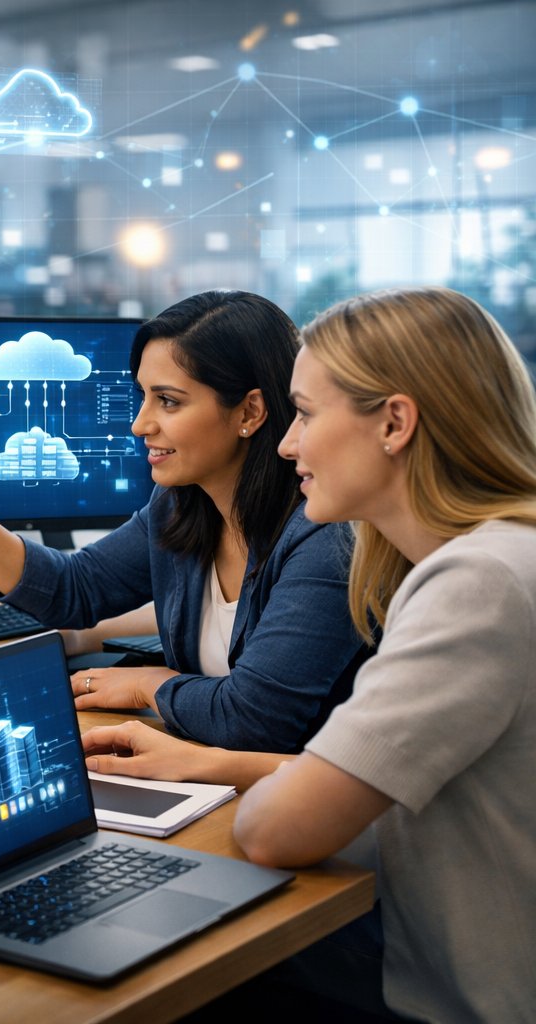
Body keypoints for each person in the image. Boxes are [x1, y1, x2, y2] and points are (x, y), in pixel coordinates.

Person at [84, 286, 536, 1021]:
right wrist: (206, 761)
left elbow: (275, 831)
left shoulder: (477, 586)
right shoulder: (497, 558)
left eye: (307, 414)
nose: (288, 443)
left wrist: (212, 754)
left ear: (394, 422)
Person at [0, 291, 368, 753]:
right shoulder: (182, 510)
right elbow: (71, 591)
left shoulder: (325, 537)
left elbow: (256, 720)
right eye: (142, 396)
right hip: (213, 776)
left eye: (167, 400)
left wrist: (151, 685)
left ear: (249, 412)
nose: (140, 424)